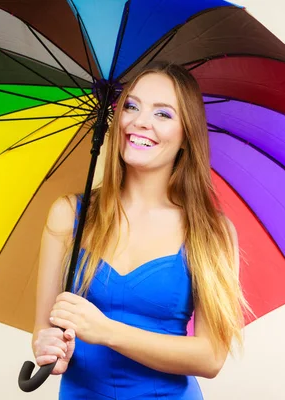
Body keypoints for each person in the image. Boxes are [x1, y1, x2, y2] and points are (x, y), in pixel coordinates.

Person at [31, 62, 251, 399]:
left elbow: (211, 357)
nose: (140, 122)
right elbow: (44, 329)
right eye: (131, 106)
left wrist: (106, 331)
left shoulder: (211, 233)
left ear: (185, 137)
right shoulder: (68, 215)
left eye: (163, 114)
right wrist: (48, 346)